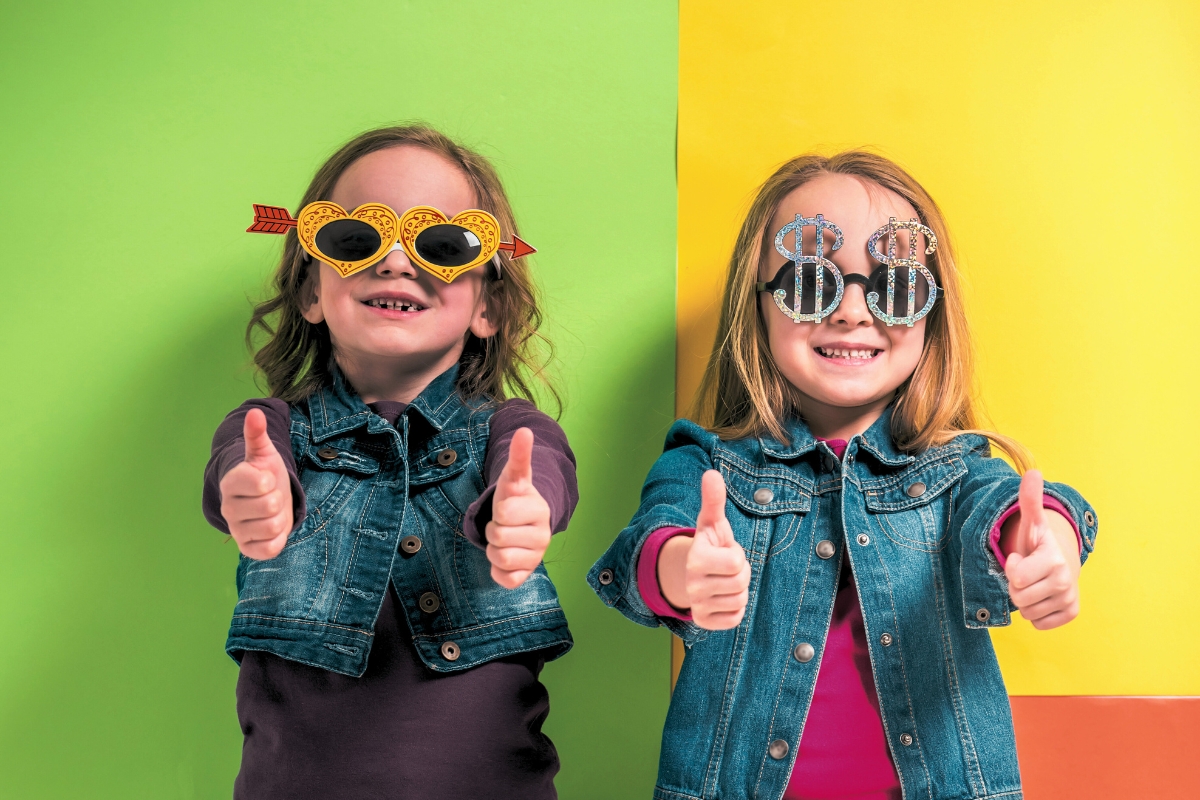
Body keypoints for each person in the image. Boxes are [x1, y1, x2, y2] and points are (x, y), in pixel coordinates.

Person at [589, 151, 1097, 800]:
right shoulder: (706, 464)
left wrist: (1046, 540)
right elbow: (655, 538)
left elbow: (1008, 511)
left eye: (896, 286)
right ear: (761, 305)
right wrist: (684, 570)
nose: (854, 312)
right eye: (809, 283)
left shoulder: (957, 474)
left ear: (931, 315)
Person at [201, 125, 577, 799]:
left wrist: (523, 511)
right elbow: (239, 468)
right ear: (313, 291)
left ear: (487, 303)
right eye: (357, 239)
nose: (398, 263)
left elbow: (540, 472)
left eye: (442, 245)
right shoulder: (269, 431)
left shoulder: (513, 434)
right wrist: (252, 493)